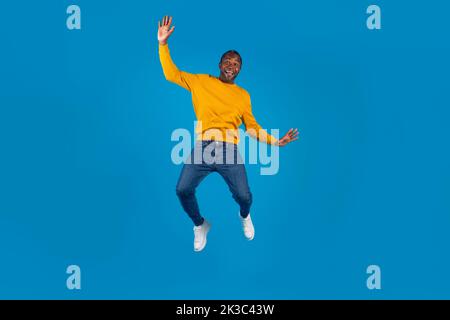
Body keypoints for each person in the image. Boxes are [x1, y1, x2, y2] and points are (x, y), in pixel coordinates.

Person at [158, 16, 299, 252]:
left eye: (236, 64)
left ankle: (245, 216)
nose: (231, 65)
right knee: (182, 190)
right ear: (219, 64)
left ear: (239, 70)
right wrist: (163, 44)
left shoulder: (243, 96)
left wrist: (276, 142)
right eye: (227, 61)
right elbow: (171, 74)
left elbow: (252, 128)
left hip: (229, 151)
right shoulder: (201, 81)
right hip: (203, 147)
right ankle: (200, 225)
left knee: (244, 196)